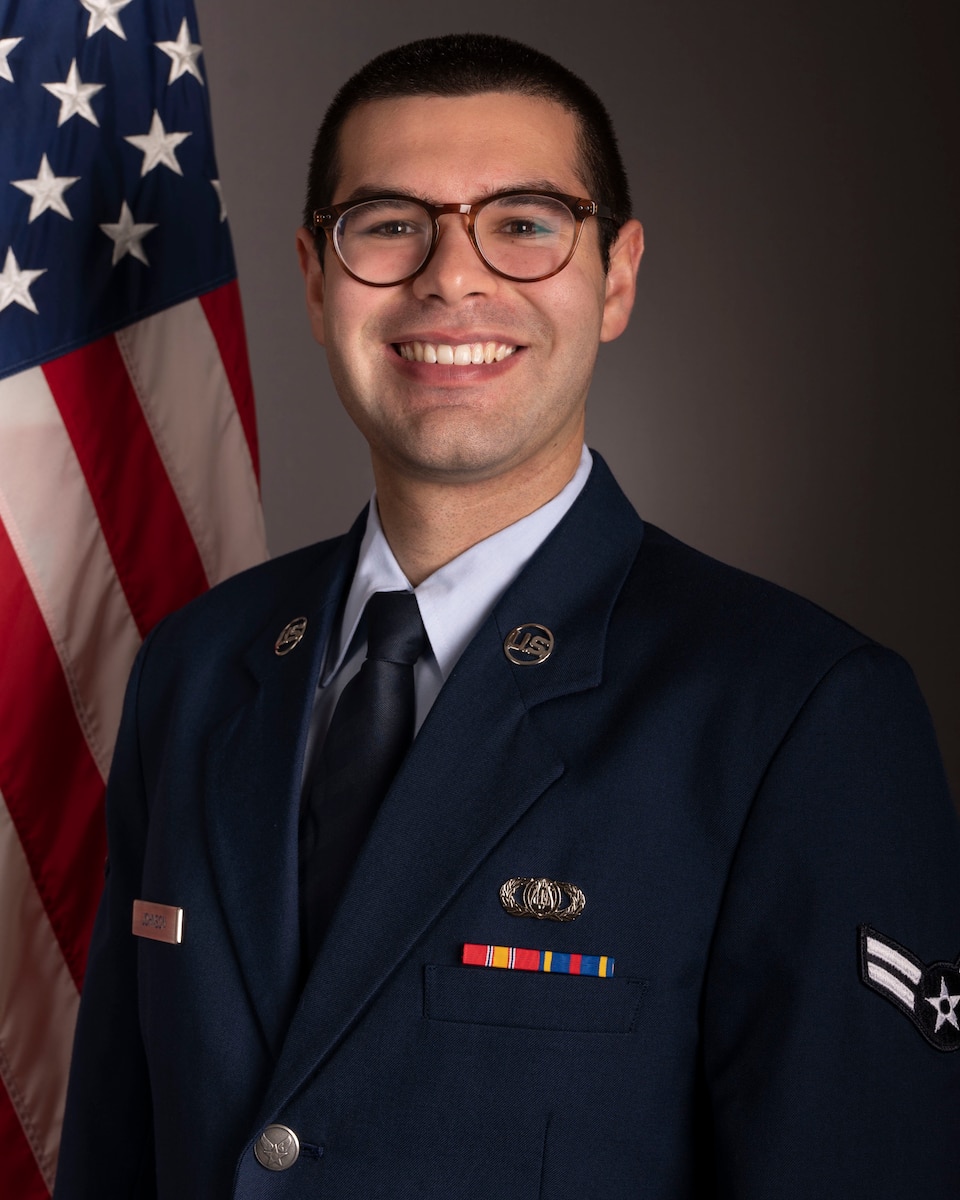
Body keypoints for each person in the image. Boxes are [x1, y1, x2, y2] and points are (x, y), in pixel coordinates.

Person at [55, 32, 960, 1200]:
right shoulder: (195, 668)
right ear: (317, 276)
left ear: (617, 276)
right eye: (389, 223)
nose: (451, 278)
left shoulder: (800, 712)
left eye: (524, 223)